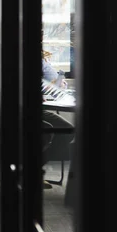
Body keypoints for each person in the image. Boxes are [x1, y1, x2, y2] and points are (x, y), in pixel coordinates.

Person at [40, 50, 74, 190]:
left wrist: (57, 85)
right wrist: (52, 86)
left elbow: (57, 84)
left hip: (40, 109)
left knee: (68, 130)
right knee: (47, 129)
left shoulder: (42, 60)